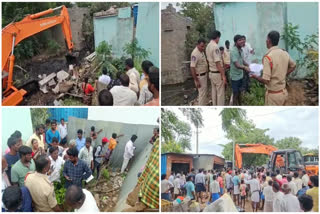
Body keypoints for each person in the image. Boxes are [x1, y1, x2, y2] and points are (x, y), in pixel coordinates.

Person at [250, 30, 296, 105]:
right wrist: (284, 74)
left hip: (273, 96)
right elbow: (293, 65)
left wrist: (255, 76)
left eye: (266, 39)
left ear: (268, 41)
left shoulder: (268, 57)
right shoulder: (284, 53)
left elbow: (266, 80)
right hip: (284, 93)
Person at [205, 30, 226, 106]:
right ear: (217, 37)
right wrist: (223, 75)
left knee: (214, 91)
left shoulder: (208, 46)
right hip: (217, 73)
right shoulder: (215, 47)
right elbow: (217, 63)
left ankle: (214, 105)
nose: (219, 40)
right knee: (220, 93)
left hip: (211, 72)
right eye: (219, 38)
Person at [230, 35, 251, 105]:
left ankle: (240, 104)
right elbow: (237, 65)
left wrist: (248, 65)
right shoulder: (233, 51)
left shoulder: (241, 50)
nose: (242, 41)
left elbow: (242, 61)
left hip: (240, 75)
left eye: (242, 40)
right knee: (235, 93)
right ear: (235, 42)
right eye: (239, 40)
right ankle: (234, 105)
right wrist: (245, 68)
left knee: (239, 92)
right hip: (235, 77)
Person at [190, 38, 209, 106]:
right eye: (201, 46)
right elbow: (192, 68)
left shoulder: (201, 51)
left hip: (204, 75)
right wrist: (196, 80)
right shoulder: (195, 54)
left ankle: (203, 105)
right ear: (197, 45)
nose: (203, 48)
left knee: (203, 94)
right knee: (202, 94)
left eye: (204, 46)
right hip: (200, 77)